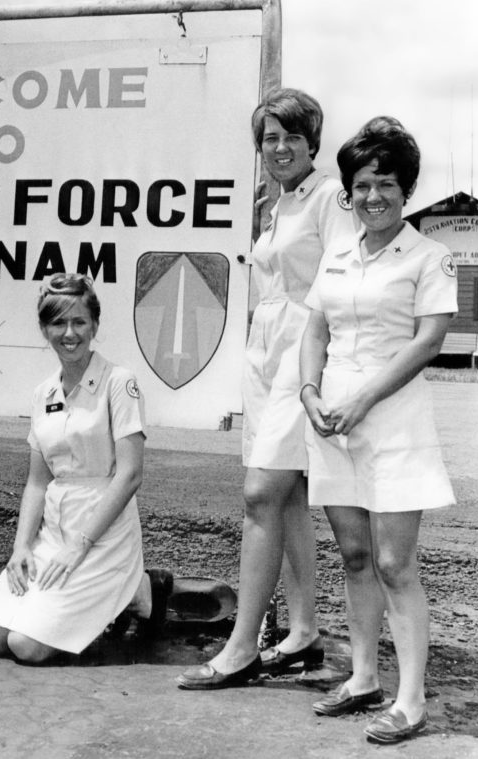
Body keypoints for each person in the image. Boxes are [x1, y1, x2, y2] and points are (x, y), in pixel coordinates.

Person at [179, 88, 355, 689]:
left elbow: (340, 283)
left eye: (291, 138)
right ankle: (303, 633)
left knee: (260, 492)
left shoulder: (332, 196)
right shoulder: (277, 203)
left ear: (313, 142)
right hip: (264, 344)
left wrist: (318, 367)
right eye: (269, 139)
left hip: (306, 344)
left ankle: (241, 646)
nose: (279, 148)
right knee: (287, 496)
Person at [300, 117, 456, 744]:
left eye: (386, 183)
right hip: (333, 422)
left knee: (394, 562)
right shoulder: (336, 254)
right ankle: (363, 676)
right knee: (356, 555)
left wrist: (364, 396)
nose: (373, 196)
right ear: (348, 189)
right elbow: (315, 331)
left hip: (394, 422)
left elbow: (428, 341)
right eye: (362, 183)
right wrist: (310, 393)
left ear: (406, 189)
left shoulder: (429, 255)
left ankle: (410, 698)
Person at [0, 273, 169, 664]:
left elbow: (130, 475)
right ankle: (139, 594)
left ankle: (131, 593)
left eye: (79, 322)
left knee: (25, 646)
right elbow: (36, 482)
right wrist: (21, 547)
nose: (69, 333)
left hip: (102, 534)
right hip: (54, 531)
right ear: (44, 328)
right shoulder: (42, 393)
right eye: (58, 323)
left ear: (95, 325)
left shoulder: (119, 382)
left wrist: (79, 546)